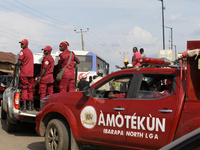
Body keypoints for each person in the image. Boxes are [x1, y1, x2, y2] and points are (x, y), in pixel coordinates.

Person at [17, 39, 34, 111]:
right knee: (30, 89)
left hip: (24, 73)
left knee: (24, 89)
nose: (21, 45)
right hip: (30, 74)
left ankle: (23, 107)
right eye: (21, 43)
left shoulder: (22, 52)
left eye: (23, 44)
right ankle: (30, 106)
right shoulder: (30, 52)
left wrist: (18, 64)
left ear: (26, 44)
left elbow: (19, 62)